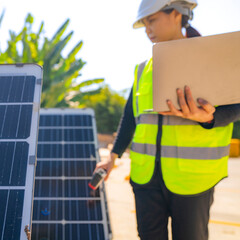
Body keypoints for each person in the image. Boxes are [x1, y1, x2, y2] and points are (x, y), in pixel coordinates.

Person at [94, 0, 240, 239]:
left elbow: (236, 106)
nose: (147, 29)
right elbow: (130, 117)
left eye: (151, 20)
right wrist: (112, 157)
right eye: (144, 23)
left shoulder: (209, 58)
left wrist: (209, 117)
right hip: (145, 180)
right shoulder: (143, 69)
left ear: (176, 14)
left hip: (192, 180)